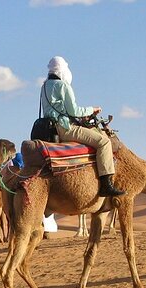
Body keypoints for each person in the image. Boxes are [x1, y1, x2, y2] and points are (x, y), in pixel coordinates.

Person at [41, 56, 124, 197]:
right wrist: (93, 109)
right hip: (65, 128)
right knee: (103, 142)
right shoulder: (63, 86)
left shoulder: (44, 86)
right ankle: (106, 184)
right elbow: (74, 111)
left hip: (50, 129)